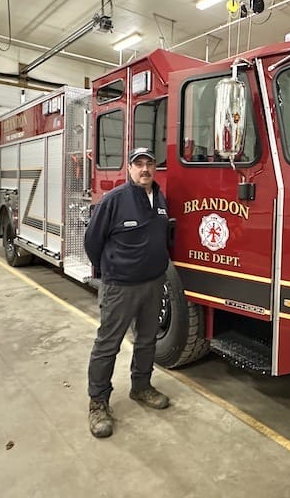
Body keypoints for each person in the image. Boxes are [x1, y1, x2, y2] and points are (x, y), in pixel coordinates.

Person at [84, 147, 171, 438]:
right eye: (139, 164)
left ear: (155, 168)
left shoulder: (159, 198)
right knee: (108, 344)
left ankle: (141, 387)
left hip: (154, 284)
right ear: (130, 168)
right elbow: (92, 241)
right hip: (120, 287)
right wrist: (112, 270)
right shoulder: (114, 200)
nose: (145, 169)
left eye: (149, 164)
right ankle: (98, 403)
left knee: (147, 340)